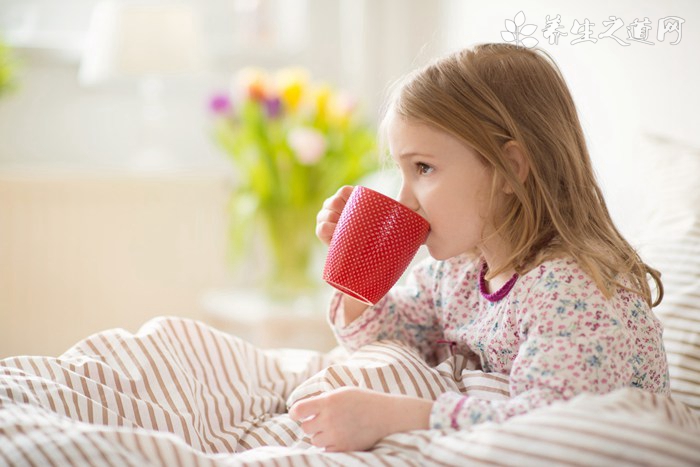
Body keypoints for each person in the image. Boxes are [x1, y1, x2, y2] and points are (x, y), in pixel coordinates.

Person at [289, 43, 669, 452]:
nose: (405, 199)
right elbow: (387, 338)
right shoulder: (460, 270)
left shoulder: (570, 291)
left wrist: (398, 415)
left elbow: (553, 424)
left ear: (511, 169)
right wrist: (355, 264)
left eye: (423, 168)